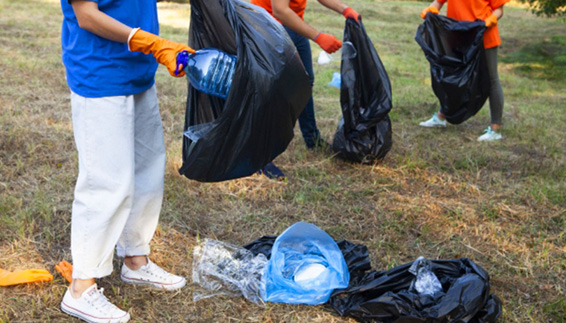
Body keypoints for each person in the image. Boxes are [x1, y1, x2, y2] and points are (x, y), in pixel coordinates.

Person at [59, 0, 195, 322]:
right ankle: (80, 288)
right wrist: (150, 41)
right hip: (100, 72)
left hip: (137, 70)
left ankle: (135, 260)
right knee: (106, 182)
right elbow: (87, 15)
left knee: (148, 168)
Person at [251, 0, 361, 179]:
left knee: (305, 81)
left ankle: (312, 138)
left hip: (293, 24)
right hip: (268, 26)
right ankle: (259, 157)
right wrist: (318, 36)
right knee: (274, 91)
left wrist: (345, 9)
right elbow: (280, 11)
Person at [418, 0, 507, 142]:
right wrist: (431, 9)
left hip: (484, 35)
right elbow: (438, 2)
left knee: (492, 79)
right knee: (454, 77)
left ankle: (495, 129)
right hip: (459, 36)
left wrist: (492, 19)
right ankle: (442, 117)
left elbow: (499, 9)